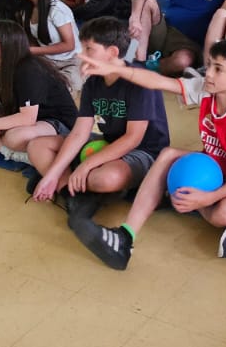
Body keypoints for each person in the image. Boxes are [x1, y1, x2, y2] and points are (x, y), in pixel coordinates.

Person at [69, 38, 226, 270]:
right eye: (209, 65)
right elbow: (158, 81)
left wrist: (206, 199)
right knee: (166, 155)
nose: (209, 74)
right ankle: (125, 237)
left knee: (224, 214)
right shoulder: (207, 89)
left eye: (218, 69)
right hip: (210, 165)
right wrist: (118, 69)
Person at [27, 16, 171, 222]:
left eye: (89, 49)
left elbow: (133, 139)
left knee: (105, 178)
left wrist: (86, 166)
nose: (82, 55)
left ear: (112, 52)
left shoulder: (138, 80)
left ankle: (82, 184)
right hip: (109, 143)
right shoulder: (93, 82)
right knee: (37, 146)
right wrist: (51, 176)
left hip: (144, 151)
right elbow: (79, 133)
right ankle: (70, 195)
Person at [0, 19, 78, 164]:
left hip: (56, 122)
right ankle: (15, 154)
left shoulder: (29, 69)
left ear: (8, 45)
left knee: (14, 138)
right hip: (19, 116)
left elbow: (27, 118)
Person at [17, 0, 81, 90]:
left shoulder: (57, 9)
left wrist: (33, 51)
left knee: (63, 87)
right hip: (47, 59)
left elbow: (69, 45)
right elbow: (32, 40)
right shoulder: (26, 10)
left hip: (71, 60)